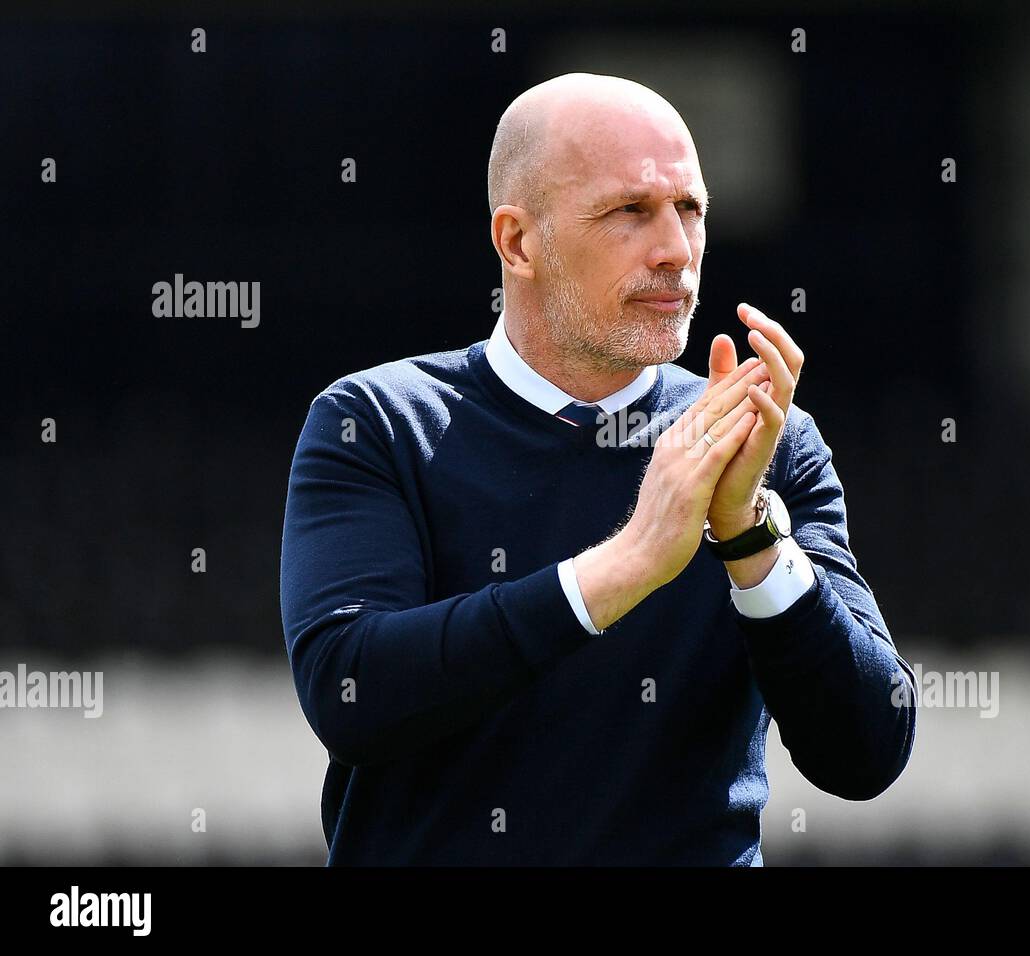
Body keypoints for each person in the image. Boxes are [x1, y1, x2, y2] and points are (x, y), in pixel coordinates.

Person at [279, 73, 916, 865]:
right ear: (518, 242)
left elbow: (866, 754)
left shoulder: (766, 441)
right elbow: (352, 693)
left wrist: (748, 537)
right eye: (631, 211)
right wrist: (630, 564)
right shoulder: (379, 422)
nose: (678, 251)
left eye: (691, 209)